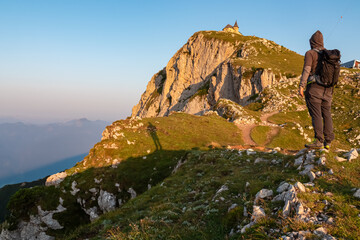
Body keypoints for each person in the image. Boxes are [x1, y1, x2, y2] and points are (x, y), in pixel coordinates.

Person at [298, 30, 334, 149]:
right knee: (327, 114)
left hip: (314, 90)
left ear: (312, 42)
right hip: (328, 90)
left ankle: (318, 140)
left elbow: (306, 70)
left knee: (316, 114)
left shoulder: (310, 53)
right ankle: (328, 142)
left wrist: (301, 86)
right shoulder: (328, 54)